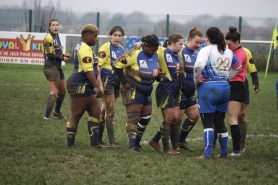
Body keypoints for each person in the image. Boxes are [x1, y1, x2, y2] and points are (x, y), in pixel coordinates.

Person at [194, 27, 242, 158]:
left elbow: (198, 66)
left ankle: (207, 153)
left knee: (208, 123)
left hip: (208, 88)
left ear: (207, 38)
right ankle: (223, 152)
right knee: (220, 121)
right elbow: (238, 67)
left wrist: (196, 81)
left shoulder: (206, 50)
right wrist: (226, 77)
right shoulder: (228, 51)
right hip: (224, 88)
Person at [114, 34, 161, 152]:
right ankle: (131, 146)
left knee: (146, 117)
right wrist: (124, 82)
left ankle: (137, 143)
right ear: (145, 46)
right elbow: (117, 64)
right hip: (133, 88)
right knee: (134, 117)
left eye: (155, 49)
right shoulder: (134, 53)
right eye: (151, 49)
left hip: (147, 89)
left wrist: (159, 76)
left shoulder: (157, 54)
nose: (153, 52)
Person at [66, 24, 103, 148]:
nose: (96, 38)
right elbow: (88, 71)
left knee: (95, 111)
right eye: (95, 36)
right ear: (87, 36)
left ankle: (95, 143)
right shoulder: (85, 49)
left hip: (86, 83)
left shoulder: (85, 46)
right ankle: (70, 144)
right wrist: (97, 86)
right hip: (79, 82)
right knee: (76, 114)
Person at [147, 33, 184, 154]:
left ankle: (160, 142)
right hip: (165, 87)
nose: (182, 46)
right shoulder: (162, 51)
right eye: (180, 44)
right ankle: (167, 149)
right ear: (172, 43)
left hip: (176, 88)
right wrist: (140, 44)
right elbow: (148, 46)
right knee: (168, 118)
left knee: (177, 119)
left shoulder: (177, 55)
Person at [97, 26, 125, 147]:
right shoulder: (105, 48)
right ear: (110, 35)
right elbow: (98, 66)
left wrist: (124, 81)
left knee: (104, 110)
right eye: (115, 35)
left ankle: (98, 138)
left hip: (117, 80)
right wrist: (99, 83)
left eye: (119, 36)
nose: (117, 38)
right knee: (110, 111)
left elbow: (122, 66)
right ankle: (112, 141)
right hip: (108, 79)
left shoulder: (121, 49)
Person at [177, 27, 203, 151]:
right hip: (181, 89)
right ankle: (156, 140)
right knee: (176, 119)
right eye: (196, 42)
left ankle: (180, 140)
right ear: (189, 39)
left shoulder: (197, 54)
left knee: (195, 115)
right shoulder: (181, 51)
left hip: (191, 90)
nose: (198, 45)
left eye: (200, 43)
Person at [43, 19, 71, 120]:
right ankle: (46, 116)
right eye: (53, 25)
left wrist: (64, 55)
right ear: (49, 27)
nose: (56, 27)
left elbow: (56, 52)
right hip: (50, 66)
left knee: (63, 90)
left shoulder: (56, 36)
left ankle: (57, 111)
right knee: (54, 91)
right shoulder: (48, 38)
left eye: (57, 25)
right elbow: (50, 54)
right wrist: (63, 58)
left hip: (57, 66)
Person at [225, 27, 247, 156]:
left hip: (237, 86)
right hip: (228, 86)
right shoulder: (231, 51)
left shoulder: (241, 53)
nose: (227, 47)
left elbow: (234, 69)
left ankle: (237, 150)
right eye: (226, 44)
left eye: (230, 44)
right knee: (228, 118)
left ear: (237, 42)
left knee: (233, 118)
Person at [238, 47, 259, 152]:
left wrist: (255, 83)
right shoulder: (222, 50)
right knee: (218, 114)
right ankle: (213, 142)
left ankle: (240, 145)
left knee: (241, 115)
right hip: (223, 84)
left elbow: (252, 68)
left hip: (241, 85)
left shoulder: (245, 52)